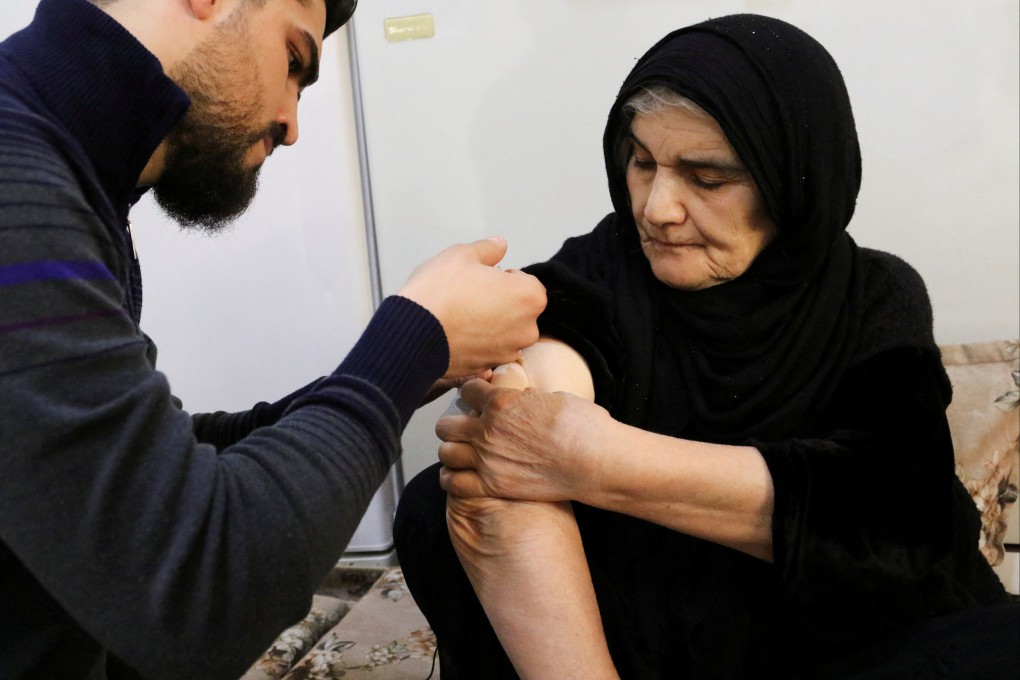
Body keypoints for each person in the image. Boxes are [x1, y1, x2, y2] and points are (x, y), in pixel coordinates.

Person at [394, 13, 1019, 679]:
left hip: (848, 636)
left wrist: (593, 458)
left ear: (792, 179)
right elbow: (524, 420)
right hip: (649, 637)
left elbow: (893, 518)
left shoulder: (874, 296)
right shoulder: (605, 270)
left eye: (708, 177)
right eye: (641, 162)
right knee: (449, 497)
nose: (657, 207)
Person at [0, 0, 547, 677]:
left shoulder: (59, 170)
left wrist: (403, 371)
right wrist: (412, 341)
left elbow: (124, 481)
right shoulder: (18, 190)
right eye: (294, 62)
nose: (291, 125)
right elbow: (200, 592)